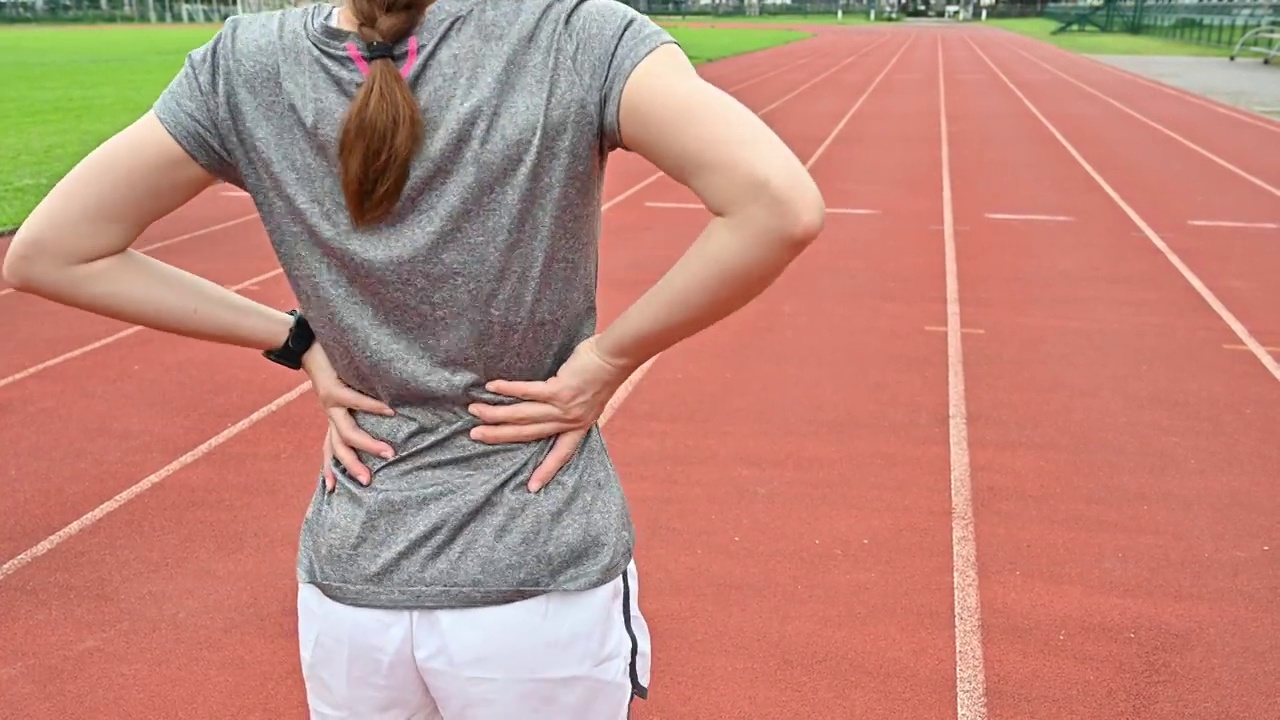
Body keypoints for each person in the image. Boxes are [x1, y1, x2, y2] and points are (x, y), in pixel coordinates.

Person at [2, 0, 824, 716]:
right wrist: (606, 361)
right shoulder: (578, 36)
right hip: (535, 573)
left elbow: (49, 253)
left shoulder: (243, 65)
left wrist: (296, 340)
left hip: (355, 577)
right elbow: (776, 204)